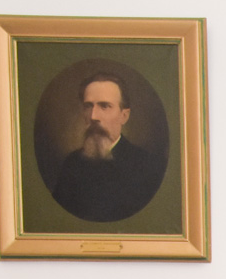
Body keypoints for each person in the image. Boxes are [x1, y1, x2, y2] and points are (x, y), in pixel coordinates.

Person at [47, 72, 165, 223]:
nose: (93, 116)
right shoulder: (71, 163)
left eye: (105, 106)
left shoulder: (148, 165)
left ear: (124, 116)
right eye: (88, 106)